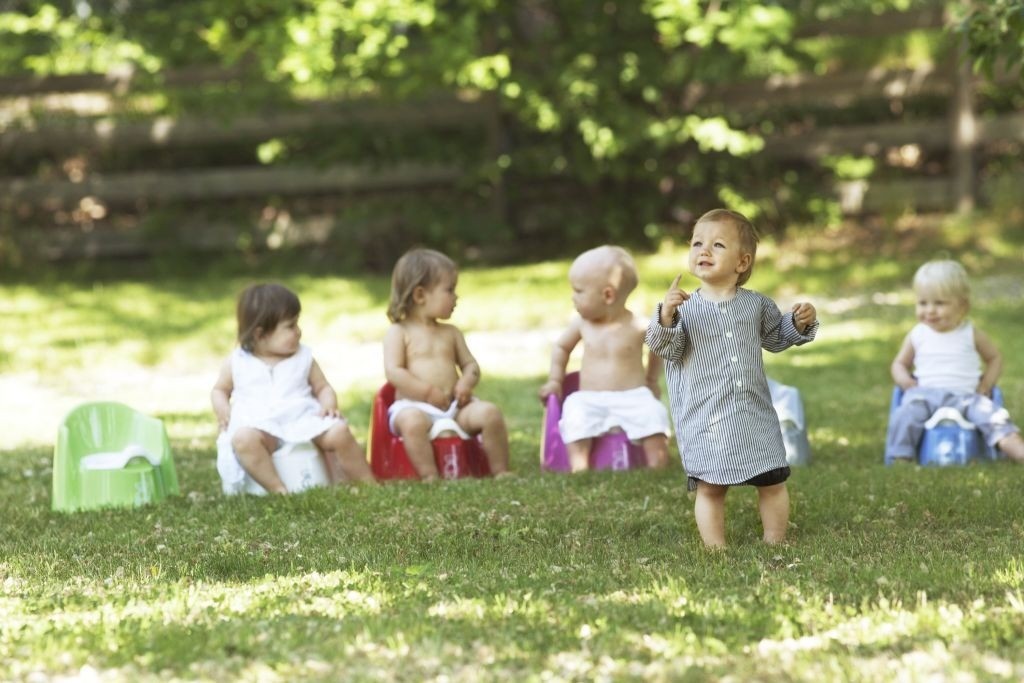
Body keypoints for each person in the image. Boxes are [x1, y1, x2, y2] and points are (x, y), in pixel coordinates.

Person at [646, 209, 819, 547]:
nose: (704, 251)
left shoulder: (755, 305)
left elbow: (776, 337)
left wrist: (799, 323)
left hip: (752, 413)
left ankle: (775, 540)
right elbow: (665, 346)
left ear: (742, 262)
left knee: (772, 481)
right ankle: (716, 549)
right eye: (697, 243)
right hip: (705, 419)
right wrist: (666, 315)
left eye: (717, 245)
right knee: (711, 488)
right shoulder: (683, 310)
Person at [211, 283, 375, 494]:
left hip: (302, 420)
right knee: (243, 440)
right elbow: (220, 390)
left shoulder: (303, 358)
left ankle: (368, 482)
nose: (299, 331)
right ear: (260, 334)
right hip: (259, 425)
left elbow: (323, 387)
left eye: (297, 323)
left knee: (340, 431)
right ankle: (277, 488)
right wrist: (223, 408)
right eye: (290, 326)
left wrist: (328, 404)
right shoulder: (238, 362)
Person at [538, 245, 671, 471]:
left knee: (653, 413)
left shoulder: (637, 325)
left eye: (578, 291)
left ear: (608, 295)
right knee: (574, 411)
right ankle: (579, 466)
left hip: (633, 397)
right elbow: (561, 347)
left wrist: (651, 380)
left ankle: (657, 463)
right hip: (590, 398)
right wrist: (555, 380)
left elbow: (657, 348)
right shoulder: (582, 324)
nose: (573, 297)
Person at [383, 248, 511, 480]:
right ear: (420, 295)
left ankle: (500, 470)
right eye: (449, 290)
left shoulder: (451, 333)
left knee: (490, 413)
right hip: (415, 406)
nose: (456, 297)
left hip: (455, 408)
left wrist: (466, 382)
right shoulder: (399, 332)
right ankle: (430, 475)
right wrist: (426, 392)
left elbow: (471, 365)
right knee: (411, 423)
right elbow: (394, 372)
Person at [886, 259, 1024, 463]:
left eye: (939, 303)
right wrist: (905, 381)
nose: (930, 310)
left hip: (967, 396)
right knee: (905, 414)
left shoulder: (971, 333)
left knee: (994, 418)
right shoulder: (918, 334)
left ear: (962, 306)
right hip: (925, 395)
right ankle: (901, 456)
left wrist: (986, 384)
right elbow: (899, 364)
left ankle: (1018, 451)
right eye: (923, 303)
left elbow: (994, 358)